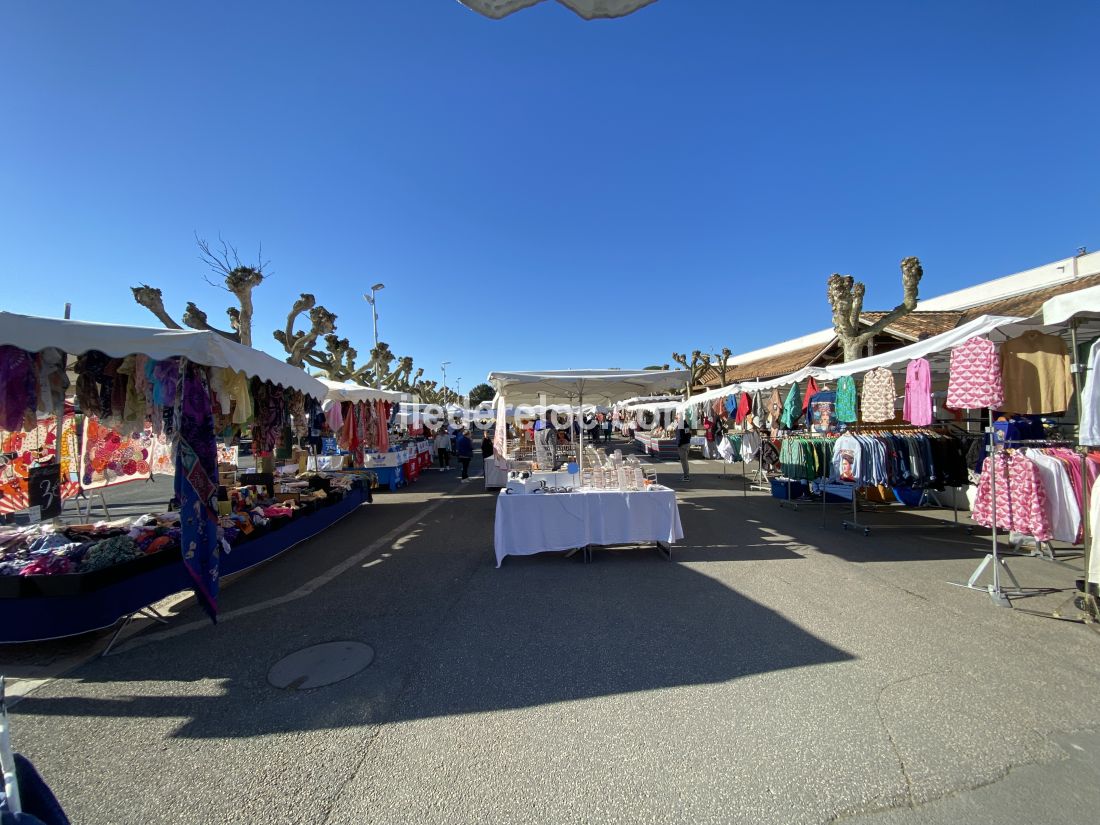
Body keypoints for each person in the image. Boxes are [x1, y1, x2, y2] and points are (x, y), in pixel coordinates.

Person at [677, 417, 692, 481]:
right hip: (687, 443)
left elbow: (681, 436)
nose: (676, 419)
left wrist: (679, 444)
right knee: (685, 461)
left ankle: (686, 476)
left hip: (683, 445)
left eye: (677, 418)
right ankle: (686, 475)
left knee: (684, 462)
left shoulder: (681, 425)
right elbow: (689, 434)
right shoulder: (686, 425)